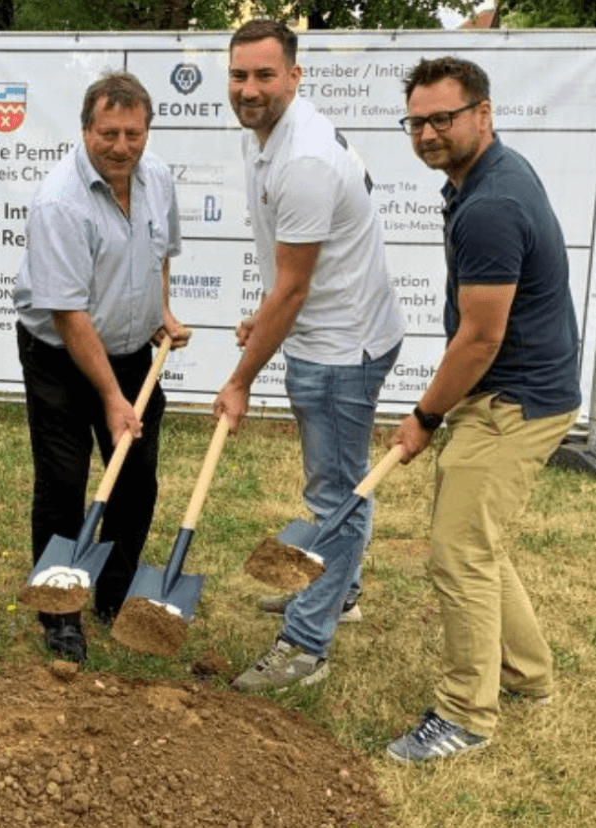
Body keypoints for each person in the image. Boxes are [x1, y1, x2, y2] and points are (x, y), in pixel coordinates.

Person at [385, 57, 580, 764]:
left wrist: (424, 416)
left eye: (444, 118)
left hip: (511, 400)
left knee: (459, 552)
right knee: (478, 541)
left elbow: (478, 337)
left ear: (483, 114)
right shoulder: (485, 178)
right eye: (417, 122)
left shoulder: (491, 204)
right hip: (519, 388)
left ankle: (465, 714)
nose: (430, 132)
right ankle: (525, 675)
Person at [217, 20, 405, 692]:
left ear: (294, 77)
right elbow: (291, 277)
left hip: (338, 348)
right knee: (344, 483)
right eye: (239, 74)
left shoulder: (302, 159)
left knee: (335, 497)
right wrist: (265, 314)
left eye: (264, 75)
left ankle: (305, 645)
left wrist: (240, 380)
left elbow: (294, 286)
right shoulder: (269, 136)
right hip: (330, 327)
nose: (249, 88)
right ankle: (340, 591)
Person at [13, 71, 189, 664]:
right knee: (64, 484)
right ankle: (59, 613)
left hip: (135, 351)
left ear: (147, 131)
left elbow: (160, 251)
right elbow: (68, 314)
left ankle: (114, 594)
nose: (121, 146)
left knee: (137, 481)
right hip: (61, 358)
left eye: (132, 134)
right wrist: (113, 398)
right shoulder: (60, 201)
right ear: (86, 128)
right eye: (108, 133)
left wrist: (160, 309)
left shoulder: (158, 176)